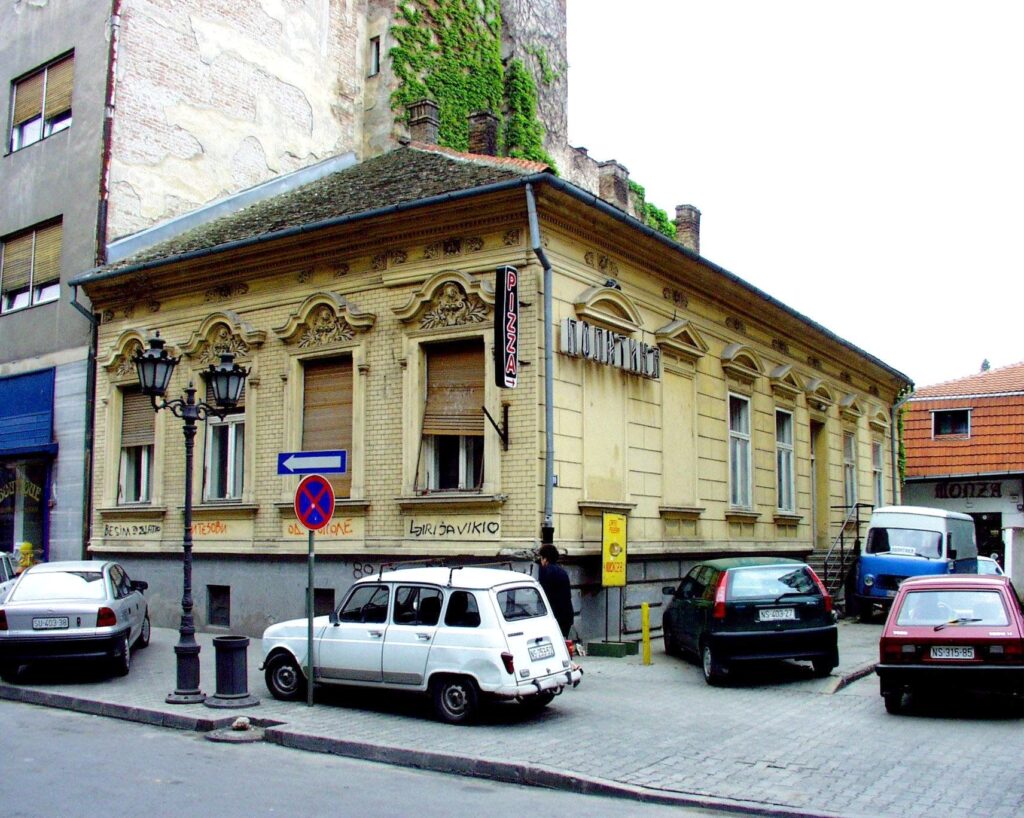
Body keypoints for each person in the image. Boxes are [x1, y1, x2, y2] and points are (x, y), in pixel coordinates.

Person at [537, 544, 574, 639]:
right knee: (562, 640)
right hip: (566, 615)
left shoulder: (546, 572)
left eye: (541, 558)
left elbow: (545, 595)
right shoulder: (562, 571)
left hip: (555, 615)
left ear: (545, 559)